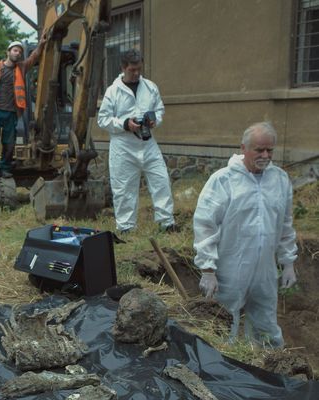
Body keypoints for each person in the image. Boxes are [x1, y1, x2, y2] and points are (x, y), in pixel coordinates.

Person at [193, 122, 297, 348]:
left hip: (265, 270)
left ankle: (271, 369)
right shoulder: (223, 180)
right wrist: (208, 269)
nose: (265, 155)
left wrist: (288, 262)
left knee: (266, 324)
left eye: (270, 150)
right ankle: (219, 368)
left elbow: (285, 223)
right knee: (221, 323)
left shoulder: (279, 180)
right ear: (244, 148)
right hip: (230, 267)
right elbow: (205, 225)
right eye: (259, 150)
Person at [97, 49, 177, 234]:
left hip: (148, 142)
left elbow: (159, 109)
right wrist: (125, 123)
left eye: (139, 69)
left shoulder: (150, 87)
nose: (136, 73)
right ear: (123, 68)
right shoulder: (113, 91)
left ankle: (167, 222)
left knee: (161, 180)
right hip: (123, 146)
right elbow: (103, 119)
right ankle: (126, 227)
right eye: (132, 69)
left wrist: (154, 119)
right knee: (124, 187)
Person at [0, 36, 46, 178]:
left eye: (20, 52)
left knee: (9, 143)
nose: (18, 54)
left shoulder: (21, 68)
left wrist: (41, 45)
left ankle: (5, 167)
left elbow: (33, 58)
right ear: (8, 52)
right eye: (15, 50)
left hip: (12, 112)